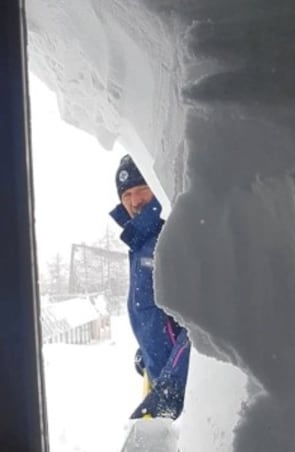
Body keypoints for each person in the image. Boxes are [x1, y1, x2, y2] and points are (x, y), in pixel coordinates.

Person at [109, 154, 190, 420]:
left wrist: (171, 387)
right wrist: (146, 352)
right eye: (127, 194)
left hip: (186, 389)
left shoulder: (173, 233)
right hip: (162, 378)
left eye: (142, 188)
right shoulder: (141, 239)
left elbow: (198, 326)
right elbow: (156, 312)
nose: (134, 200)